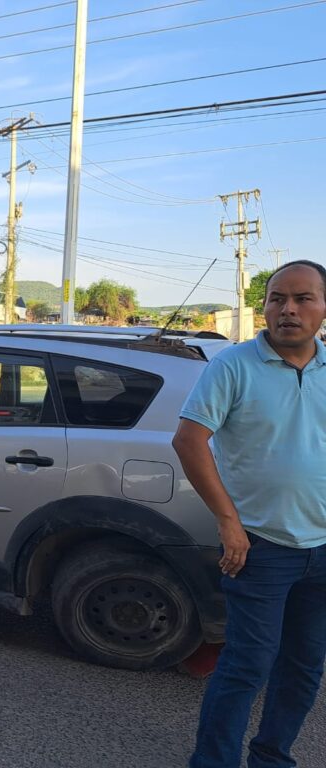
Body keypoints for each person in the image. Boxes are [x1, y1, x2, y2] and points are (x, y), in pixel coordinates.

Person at [172, 260, 326, 768]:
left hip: (323, 550)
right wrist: (228, 520)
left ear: (323, 307)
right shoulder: (233, 365)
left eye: (303, 298)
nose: (288, 309)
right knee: (246, 667)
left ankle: (272, 757)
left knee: (304, 669)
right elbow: (190, 440)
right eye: (277, 298)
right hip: (260, 548)